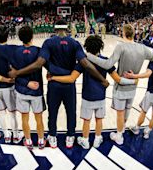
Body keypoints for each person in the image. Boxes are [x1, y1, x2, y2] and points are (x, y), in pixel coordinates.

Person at [8, 19, 109, 149]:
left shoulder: (48, 42)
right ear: (67, 29)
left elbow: (39, 63)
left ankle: (53, 137)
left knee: (53, 112)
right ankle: (70, 137)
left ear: (55, 29)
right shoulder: (74, 43)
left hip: (54, 83)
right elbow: (86, 64)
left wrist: (18, 73)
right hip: (69, 85)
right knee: (70, 112)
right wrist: (102, 79)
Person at [85, 24, 153, 145]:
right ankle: (122, 129)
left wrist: (88, 56)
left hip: (121, 87)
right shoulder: (142, 48)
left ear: (123, 33)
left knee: (120, 113)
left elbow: (108, 64)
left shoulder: (121, 47)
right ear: (134, 34)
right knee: (127, 110)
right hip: (133, 86)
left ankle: (119, 136)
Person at [48, 35, 137, 149]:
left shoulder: (83, 61)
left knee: (87, 120)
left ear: (86, 47)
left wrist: (54, 78)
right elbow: (118, 79)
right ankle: (97, 139)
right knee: (99, 119)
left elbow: (71, 78)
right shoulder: (105, 60)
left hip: (87, 97)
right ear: (101, 47)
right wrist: (134, 80)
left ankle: (85, 140)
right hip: (100, 96)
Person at [11, 26, 46, 150]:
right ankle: (41, 140)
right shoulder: (38, 51)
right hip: (36, 91)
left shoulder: (15, 52)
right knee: (39, 118)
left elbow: (12, 73)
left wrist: (26, 83)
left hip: (21, 90)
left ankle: (28, 140)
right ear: (32, 36)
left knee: (24, 118)